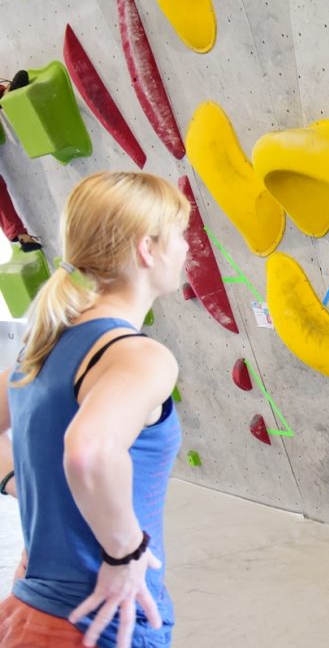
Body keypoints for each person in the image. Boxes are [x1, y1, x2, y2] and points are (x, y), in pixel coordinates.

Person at [0, 171, 191, 648]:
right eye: (180, 235)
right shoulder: (138, 356)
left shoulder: (45, 344)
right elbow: (88, 452)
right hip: (98, 622)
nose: (187, 248)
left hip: (28, 612)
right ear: (147, 249)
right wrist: (124, 554)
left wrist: (18, 482)